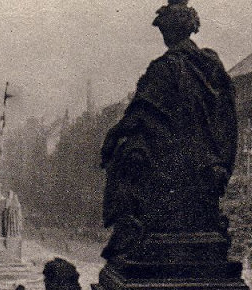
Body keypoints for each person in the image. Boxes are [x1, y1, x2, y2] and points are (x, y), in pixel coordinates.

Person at [100, 0, 237, 260]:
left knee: (127, 157)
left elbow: (140, 112)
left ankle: (131, 229)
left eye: (163, 31)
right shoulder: (211, 63)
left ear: (169, 32)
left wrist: (113, 135)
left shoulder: (164, 68)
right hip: (209, 157)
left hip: (173, 160)